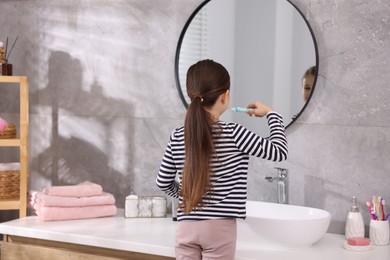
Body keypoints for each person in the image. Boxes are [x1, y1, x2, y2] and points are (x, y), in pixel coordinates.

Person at [156, 59, 288, 260]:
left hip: (186, 226)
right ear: (225, 96)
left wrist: (187, 196)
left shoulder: (178, 135)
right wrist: (271, 113)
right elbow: (279, 151)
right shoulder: (235, 133)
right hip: (219, 228)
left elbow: (162, 182)